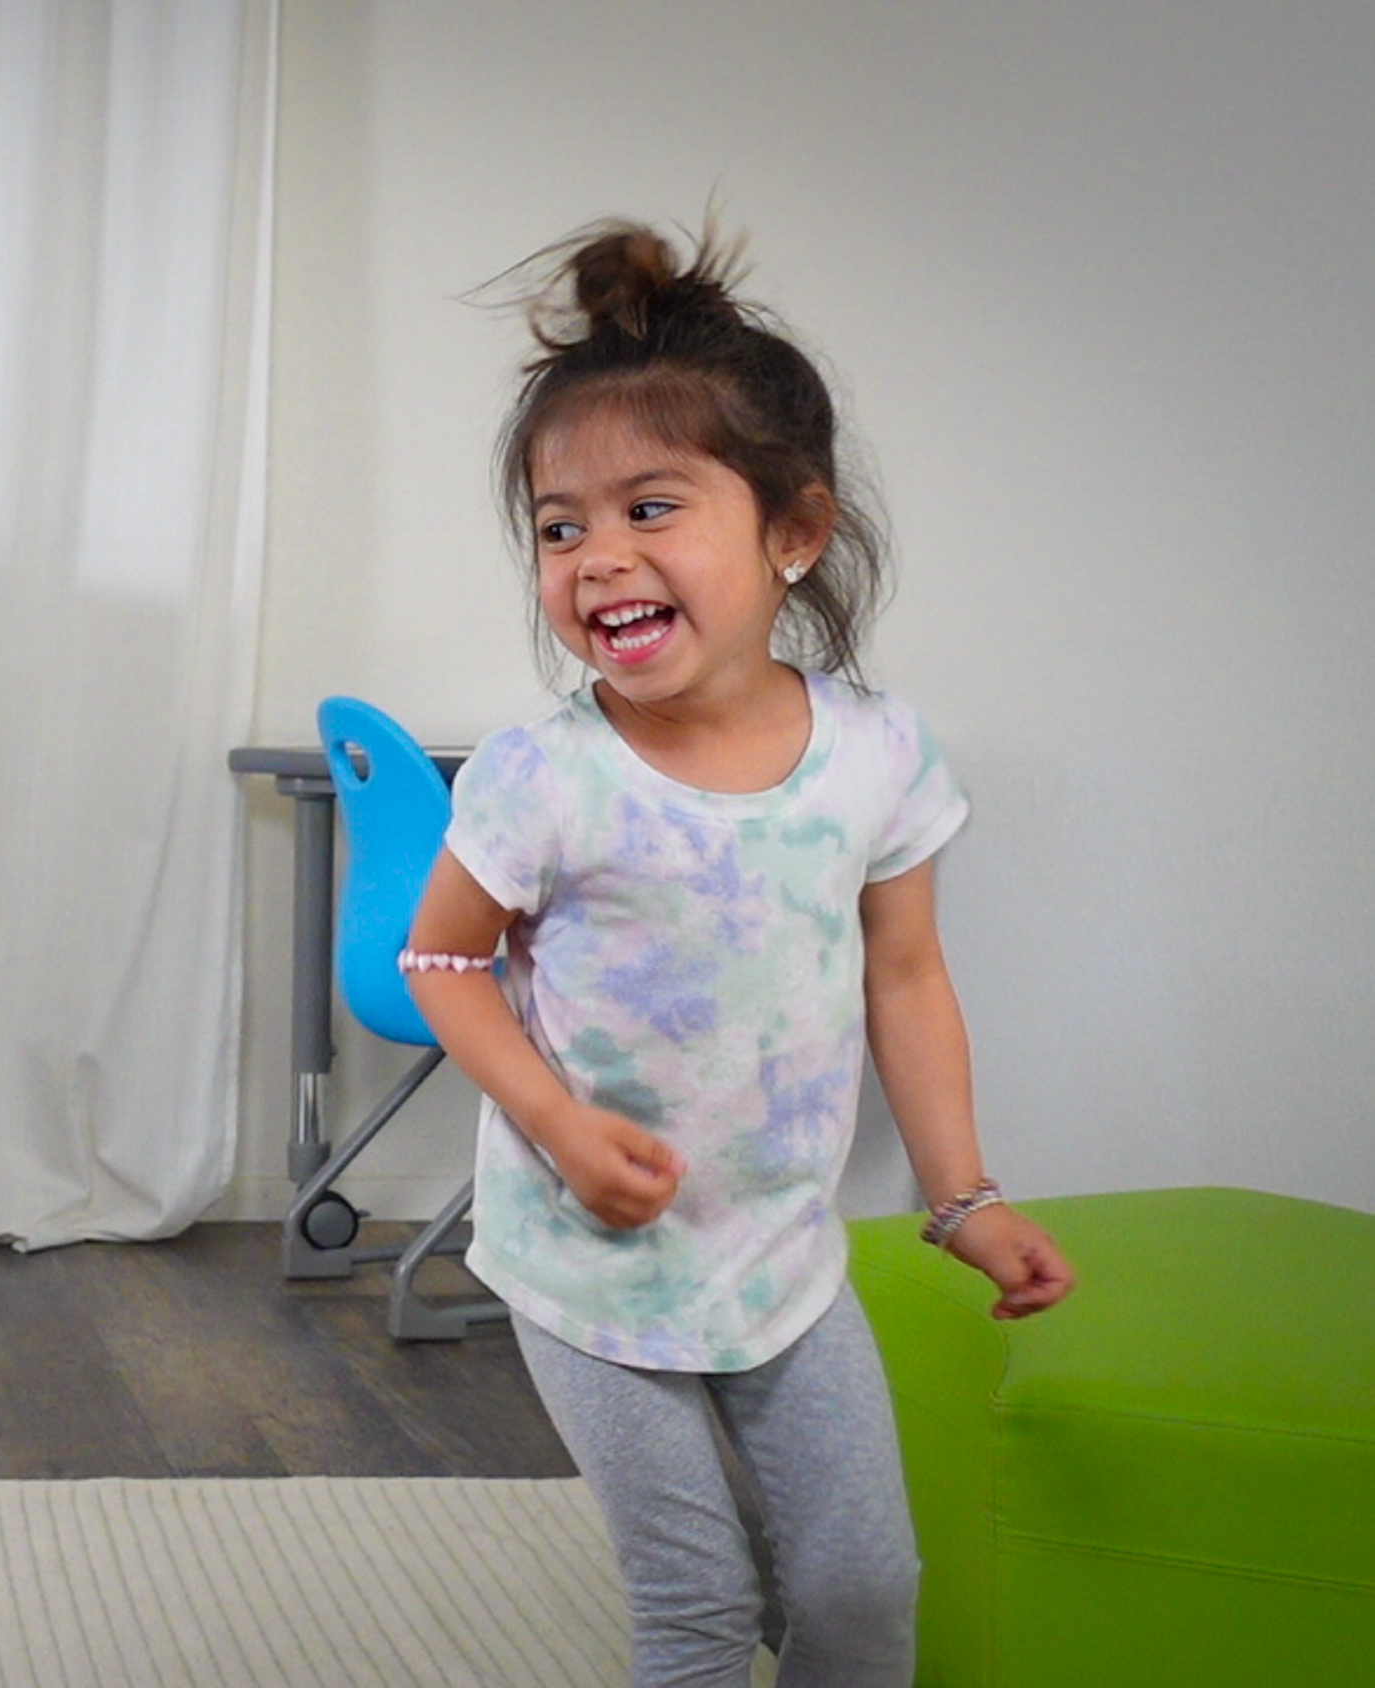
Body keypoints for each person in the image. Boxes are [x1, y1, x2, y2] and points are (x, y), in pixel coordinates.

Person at [405, 222, 1074, 1688]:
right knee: (699, 1607)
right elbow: (443, 965)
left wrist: (959, 1197)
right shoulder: (542, 776)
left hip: (782, 1260)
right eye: (560, 525)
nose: (598, 559)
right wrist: (559, 1123)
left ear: (793, 532)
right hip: (587, 1263)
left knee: (856, 1590)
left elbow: (904, 978)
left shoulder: (878, 757)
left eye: (651, 507)